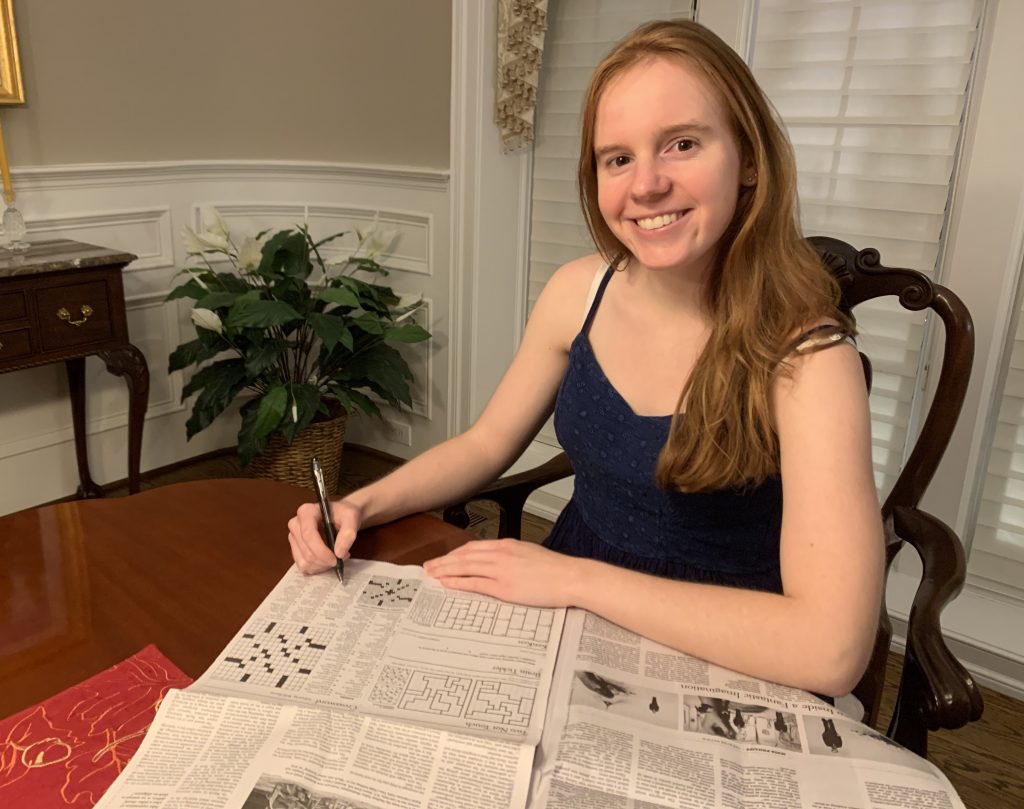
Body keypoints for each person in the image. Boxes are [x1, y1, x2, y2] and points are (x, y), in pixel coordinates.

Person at [287, 19, 884, 698]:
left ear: (750, 160)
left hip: (727, 650)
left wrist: (573, 579)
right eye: (617, 158)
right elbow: (487, 443)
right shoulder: (579, 290)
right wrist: (359, 502)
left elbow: (831, 649)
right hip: (565, 613)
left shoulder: (811, 358)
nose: (647, 184)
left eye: (682, 143)